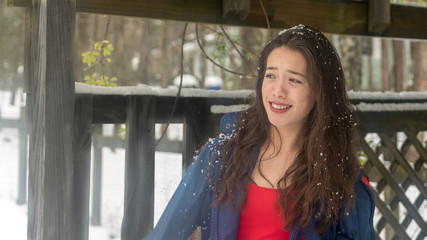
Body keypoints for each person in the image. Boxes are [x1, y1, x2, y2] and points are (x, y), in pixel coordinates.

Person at [143, 24, 375, 240]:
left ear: (319, 92)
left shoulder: (342, 179)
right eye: (271, 76)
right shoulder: (220, 157)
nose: (278, 91)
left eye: (294, 80)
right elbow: (165, 234)